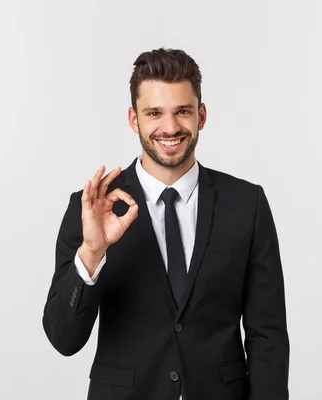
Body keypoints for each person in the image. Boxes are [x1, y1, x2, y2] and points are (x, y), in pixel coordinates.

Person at [42, 48, 289, 400]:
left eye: (183, 111)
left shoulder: (246, 204)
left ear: (201, 115)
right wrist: (93, 252)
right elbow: (63, 339)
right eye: (154, 113)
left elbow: (269, 336)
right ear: (134, 119)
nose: (170, 127)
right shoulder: (91, 208)